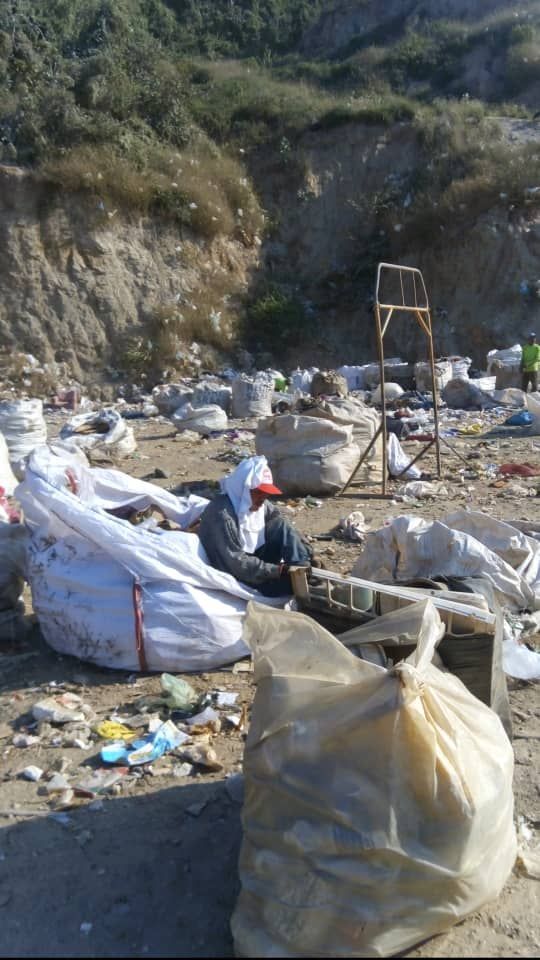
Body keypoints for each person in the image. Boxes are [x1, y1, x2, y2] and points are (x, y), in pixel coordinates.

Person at [198, 455, 314, 597]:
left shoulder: (259, 505)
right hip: (233, 573)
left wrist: (306, 551)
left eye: (265, 494)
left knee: (280, 524)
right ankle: (296, 583)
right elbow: (236, 563)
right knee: (286, 589)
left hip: (254, 561)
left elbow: (282, 526)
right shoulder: (223, 515)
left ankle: (302, 571)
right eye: (258, 493)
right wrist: (277, 571)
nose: (262, 499)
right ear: (244, 489)